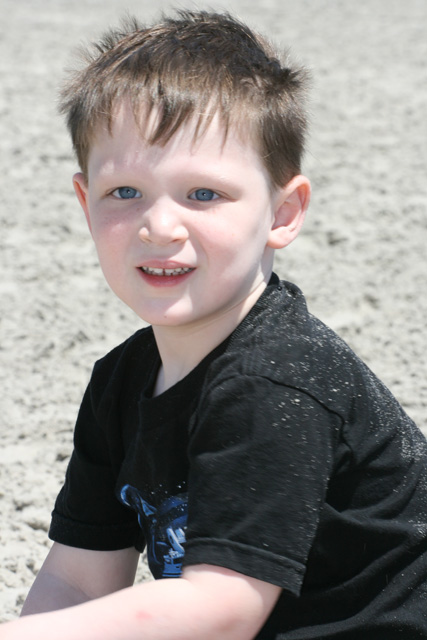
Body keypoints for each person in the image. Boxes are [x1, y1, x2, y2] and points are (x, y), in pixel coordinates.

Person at [2, 9, 426, 639]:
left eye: (203, 194)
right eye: (125, 193)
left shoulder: (277, 382)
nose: (159, 226)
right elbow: (77, 580)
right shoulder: (121, 382)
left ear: (283, 212)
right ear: (85, 203)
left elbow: (221, 612)